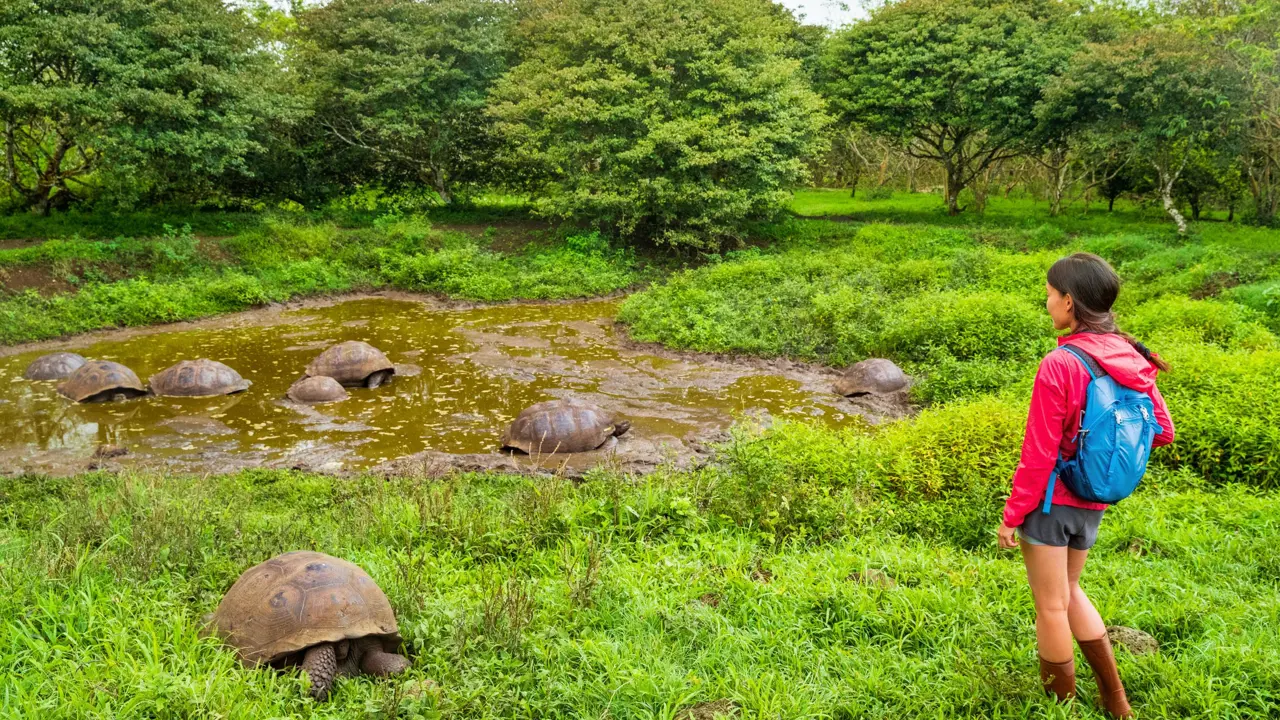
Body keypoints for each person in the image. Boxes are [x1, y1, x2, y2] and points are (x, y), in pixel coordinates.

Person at [997, 253, 1175, 718]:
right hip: (1094, 501)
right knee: (1072, 590)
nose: (1048, 301)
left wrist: (1012, 516)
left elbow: (1037, 455)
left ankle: (1061, 708)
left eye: (1051, 294)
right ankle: (1116, 700)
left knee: (1051, 606)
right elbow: (1162, 430)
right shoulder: (1131, 355)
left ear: (1070, 302)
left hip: (1053, 502)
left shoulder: (1060, 363)